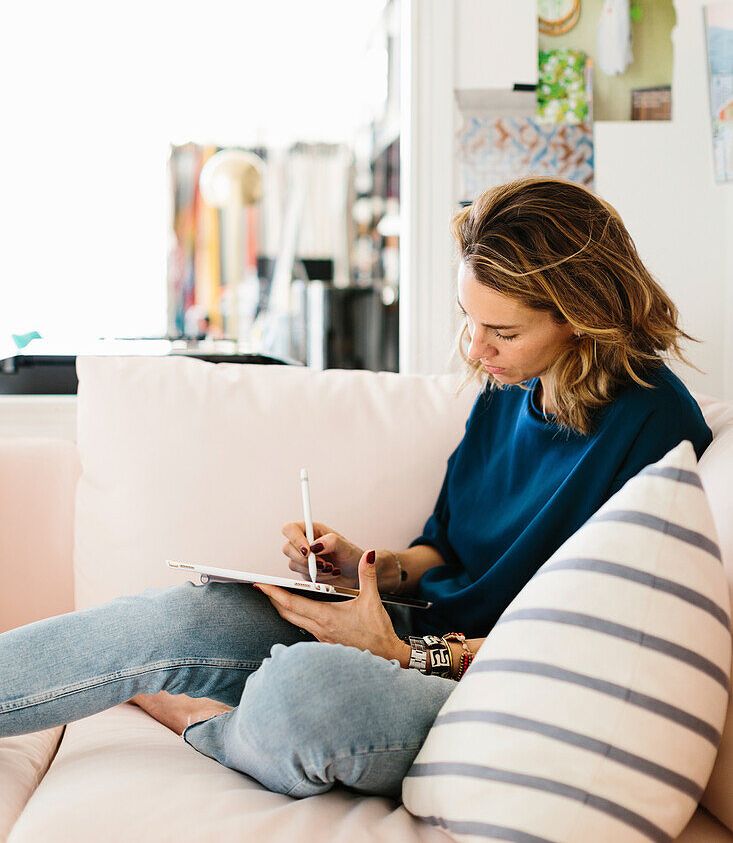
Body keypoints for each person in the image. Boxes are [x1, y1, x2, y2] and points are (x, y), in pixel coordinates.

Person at [0, 177, 713, 801]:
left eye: (500, 329)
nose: (473, 348)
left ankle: (202, 724)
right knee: (184, 617)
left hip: (491, 685)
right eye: (468, 319)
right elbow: (448, 548)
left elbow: (600, 642)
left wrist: (401, 656)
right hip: (411, 634)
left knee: (307, 693)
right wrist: (370, 568)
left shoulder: (655, 429)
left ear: (582, 315)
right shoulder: (509, 388)